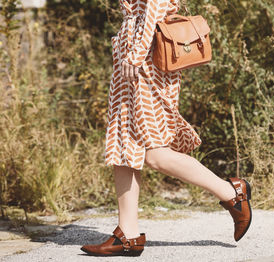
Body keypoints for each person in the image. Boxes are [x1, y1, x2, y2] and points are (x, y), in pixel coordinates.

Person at [81, 0, 252, 257]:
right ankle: (127, 234)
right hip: (131, 52)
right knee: (124, 144)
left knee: (155, 152)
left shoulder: (140, 50)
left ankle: (231, 192)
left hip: (147, 57)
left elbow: (157, 5)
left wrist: (136, 53)